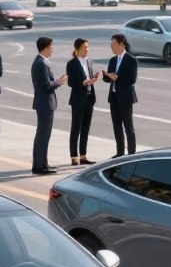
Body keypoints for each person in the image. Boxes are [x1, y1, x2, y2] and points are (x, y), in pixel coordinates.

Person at [30, 36, 67, 175]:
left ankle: (42, 164)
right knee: (43, 135)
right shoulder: (41, 63)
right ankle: (39, 166)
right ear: (45, 47)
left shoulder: (42, 61)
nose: (53, 49)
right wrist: (59, 82)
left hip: (45, 103)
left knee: (44, 135)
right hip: (45, 103)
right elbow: (46, 85)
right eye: (51, 46)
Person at [103, 33, 138, 158]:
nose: (112, 46)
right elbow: (108, 80)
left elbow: (132, 79)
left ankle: (132, 153)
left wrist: (117, 77)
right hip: (114, 97)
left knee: (128, 125)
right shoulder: (113, 60)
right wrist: (107, 77)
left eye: (113, 44)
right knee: (116, 126)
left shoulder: (131, 59)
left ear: (121, 44)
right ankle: (120, 152)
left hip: (125, 97)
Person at [67, 37, 100, 167]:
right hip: (78, 99)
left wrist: (94, 78)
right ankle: (74, 156)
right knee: (76, 128)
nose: (86, 50)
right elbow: (71, 83)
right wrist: (84, 82)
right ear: (77, 49)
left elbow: (89, 78)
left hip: (89, 98)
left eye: (87, 47)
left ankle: (83, 155)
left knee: (86, 128)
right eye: (84, 48)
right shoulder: (72, 63)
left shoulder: (89, 61)